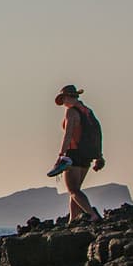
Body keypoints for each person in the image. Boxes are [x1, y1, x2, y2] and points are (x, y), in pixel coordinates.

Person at [50, 85, 105, 222]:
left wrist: (61, 154)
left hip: (73, 153)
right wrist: (99, 156)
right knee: (75, 190)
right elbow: (97, 134)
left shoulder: (71, 112)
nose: (63, 103)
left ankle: (92, 214)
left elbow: (68, 135)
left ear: (69, 97)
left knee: (73, 190)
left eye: (64, 99)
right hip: (87, 155)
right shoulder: (88, 112)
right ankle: (73, 219)